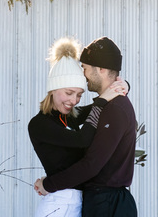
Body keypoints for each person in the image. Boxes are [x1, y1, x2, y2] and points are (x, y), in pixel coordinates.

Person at [34, 36, 138, 217]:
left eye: (85, 69)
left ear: (102, 69)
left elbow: (91, 165)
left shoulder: (114, 108)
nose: (83, 75)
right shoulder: (108, 105)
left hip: (107, 204)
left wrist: (48, 184)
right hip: (98, 201)